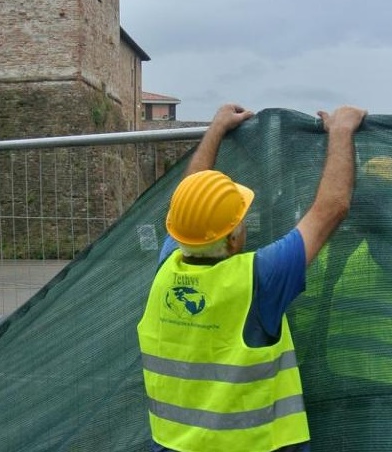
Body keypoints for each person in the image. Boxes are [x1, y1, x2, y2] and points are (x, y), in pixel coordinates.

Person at [137, 103, 367, 452]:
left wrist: (216, 129)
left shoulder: (168, 265)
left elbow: (187, 203)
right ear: (232, 238)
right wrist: (341, 131)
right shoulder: (259, 278)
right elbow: (332, 208)